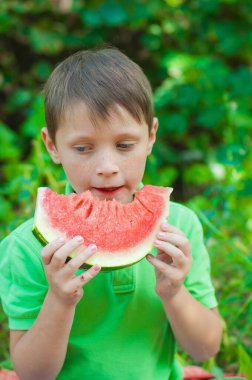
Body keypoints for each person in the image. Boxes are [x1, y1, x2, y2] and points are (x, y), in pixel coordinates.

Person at [0, 47, 222, 380]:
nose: (107, 168)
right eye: (83, 148)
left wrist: (175, 292)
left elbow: (206, 348)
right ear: (51, 145)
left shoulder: (178, 228)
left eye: (124, 145)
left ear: (150, 137)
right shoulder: (29, 247)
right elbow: (33, 374)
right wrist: (59, 300)